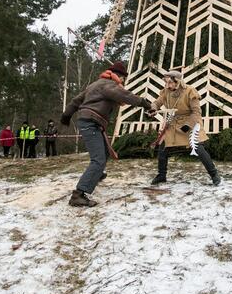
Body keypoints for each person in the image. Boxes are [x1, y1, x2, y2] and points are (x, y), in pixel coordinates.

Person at [61, 61, 152, 207]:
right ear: (117, 75)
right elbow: (126, 96)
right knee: (98, 159)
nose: (123, 81)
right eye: (123, 78)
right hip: (91, 122)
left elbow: (76, 100)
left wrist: (66, 114)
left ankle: (96, 175)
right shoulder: (109, 85)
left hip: (90, 121)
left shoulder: (95, 84)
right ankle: (78, 195)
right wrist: (145, 103)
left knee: (104, 152)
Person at [149, 70, 221, 186]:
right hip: (173, 122)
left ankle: (214, 174)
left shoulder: (190, 91)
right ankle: (161, 175)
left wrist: (188, 125)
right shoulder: (166, 92)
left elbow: (196, 112)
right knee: (162, 147)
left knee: (198, 147)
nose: (167, 85)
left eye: (170, 82)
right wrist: (153, 108)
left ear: (177, 81)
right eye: (166, 83)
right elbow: (157, 102)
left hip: (190, 121)